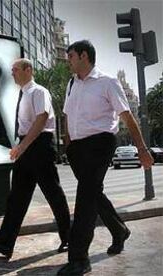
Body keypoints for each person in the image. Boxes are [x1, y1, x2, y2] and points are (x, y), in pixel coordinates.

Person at [57, 40, 154, 276]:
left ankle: (79, 259)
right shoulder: (72, 84)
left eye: (70, 56)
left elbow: (127, 116)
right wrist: (69, 145)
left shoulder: (107, 82)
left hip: (100, 143)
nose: (68, 60)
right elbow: (68, 114)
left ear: (83, 56)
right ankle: (119, 230)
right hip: (78, 148)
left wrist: (141, 148)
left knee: (85, 198)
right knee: (93, 194)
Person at [0, 58, 71, 259]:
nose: (12, 73)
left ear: (28, 70)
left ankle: (69, 238)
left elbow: (41, 119)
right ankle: (4, 243)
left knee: (53, 193)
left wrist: (22, 146)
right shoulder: (23, 94)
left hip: (40, 146)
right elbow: (27, 125)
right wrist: (20, 146)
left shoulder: (39, 91)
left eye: (15, 69)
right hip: (27, 145)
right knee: (17, 198)